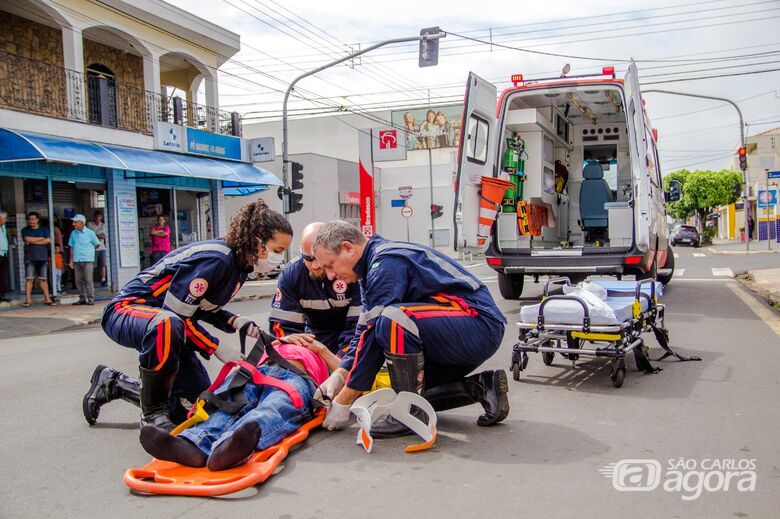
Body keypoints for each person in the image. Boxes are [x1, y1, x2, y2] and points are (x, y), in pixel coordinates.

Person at [83, 199, 293, 432]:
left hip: (169, 326)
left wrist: (234, 321)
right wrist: (217, 347)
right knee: (167, 324)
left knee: (196, 408)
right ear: (258, 242)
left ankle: (114, 384)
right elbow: (177, 315)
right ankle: (152, 416)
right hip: (127, 310)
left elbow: (201, 307)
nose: (279, 258)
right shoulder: (217, 259)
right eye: (277, 251)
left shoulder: (240, 266)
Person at [312, 221, 510, 436]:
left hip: (479, 324)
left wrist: (345, 399)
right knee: (410, 386)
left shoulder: (386, 261)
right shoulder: (370, 269)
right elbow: (363, 331)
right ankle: (482, 387)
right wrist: (340, 375)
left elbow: (375, 331)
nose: (330, 275)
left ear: (348, 248)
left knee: (393, 319)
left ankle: (407, 415)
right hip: (463, 331)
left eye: (330, 265)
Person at [140, 339, 339, 470]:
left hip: (297, 378)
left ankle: (229, 447)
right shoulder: (279, 338)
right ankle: (193, 444)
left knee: (274, 407)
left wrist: (320, 349)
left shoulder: (329, 349)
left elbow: (350, 375)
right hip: (254, 371)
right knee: (226, 404)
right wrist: (282, 340)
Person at [269, 222, 362, 354]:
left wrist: (343, 358)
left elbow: (359, 326)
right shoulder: (292, 275)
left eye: (319, 258)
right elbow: (284, 327)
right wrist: (300, 354)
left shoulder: (350, 272)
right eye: (308, 258)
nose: (315, 266)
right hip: (313, 339)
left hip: (349, 339)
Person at [21, 211, 55, 307]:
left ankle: (47, 299)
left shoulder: (44, 229)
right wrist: (41, 239)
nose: (31, 221)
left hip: (42, 257)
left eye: (33, 219)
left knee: (43, 279)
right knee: (29, 279)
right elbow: (27, 239)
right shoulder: (25, 230)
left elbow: (48, 240)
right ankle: (28, 300)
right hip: (30, 258)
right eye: (29, 219)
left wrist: (33, 241)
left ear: (37, 220)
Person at [68, 214, 100, 306]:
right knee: (78, 280)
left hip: (87, 259)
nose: (73, 224)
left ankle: (91, 299)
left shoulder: (90, 233)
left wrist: (89, 250)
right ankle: (82, 298)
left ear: (81, 223)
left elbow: (97, 244)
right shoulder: (73, 233)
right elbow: (71, 247)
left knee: (88, 280)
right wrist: (71, 260)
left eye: (75, 222)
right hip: (77, 259)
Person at [87, 210, 108, 287]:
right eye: (96, 216)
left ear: (101, 217)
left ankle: (103, 280)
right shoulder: (90, 224)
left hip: (102, 248)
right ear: (94, 217)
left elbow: (103, 236)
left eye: (99, 216)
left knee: (103, 264)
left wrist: (96, 236)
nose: (98, 218)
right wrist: (98, 236)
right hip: (92, 248)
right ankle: (90, 280)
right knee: (92, 265)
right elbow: (89, 236)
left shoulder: (103, 225)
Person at [0, 210, 9, 303]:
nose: (6, 220)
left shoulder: (3, 226)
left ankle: (1, 295)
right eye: (5, 218)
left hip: (4, 253)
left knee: (3, 275)